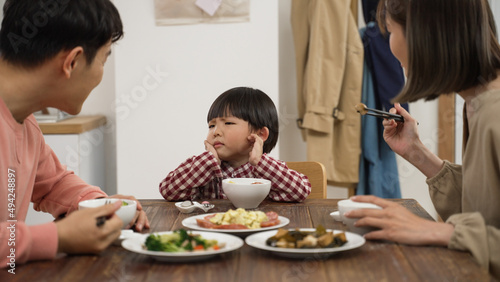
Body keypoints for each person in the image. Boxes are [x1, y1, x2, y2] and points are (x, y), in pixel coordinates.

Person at [345, 0, 500, 278]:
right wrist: (417, 153)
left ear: (423, 34)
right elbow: (486, 206)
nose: (390, 48)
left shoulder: (495, 112)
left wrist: (439, 231)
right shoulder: (477, 104)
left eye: (390, 31)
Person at [0, 0, 150, 267]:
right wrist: (57, 237)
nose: (101, 72)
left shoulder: (24, 120)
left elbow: (53, 183)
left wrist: (100, 204)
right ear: (73, 61)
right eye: (104, 59)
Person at [159, 87, 311, 202]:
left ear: (260, 134)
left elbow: (301, 191)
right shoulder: (202, 168)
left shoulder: (267, 171)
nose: (216, 132)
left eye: (228, 123)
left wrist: (259, 162)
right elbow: (168, 191)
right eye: (211, 126)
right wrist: (208, 162)